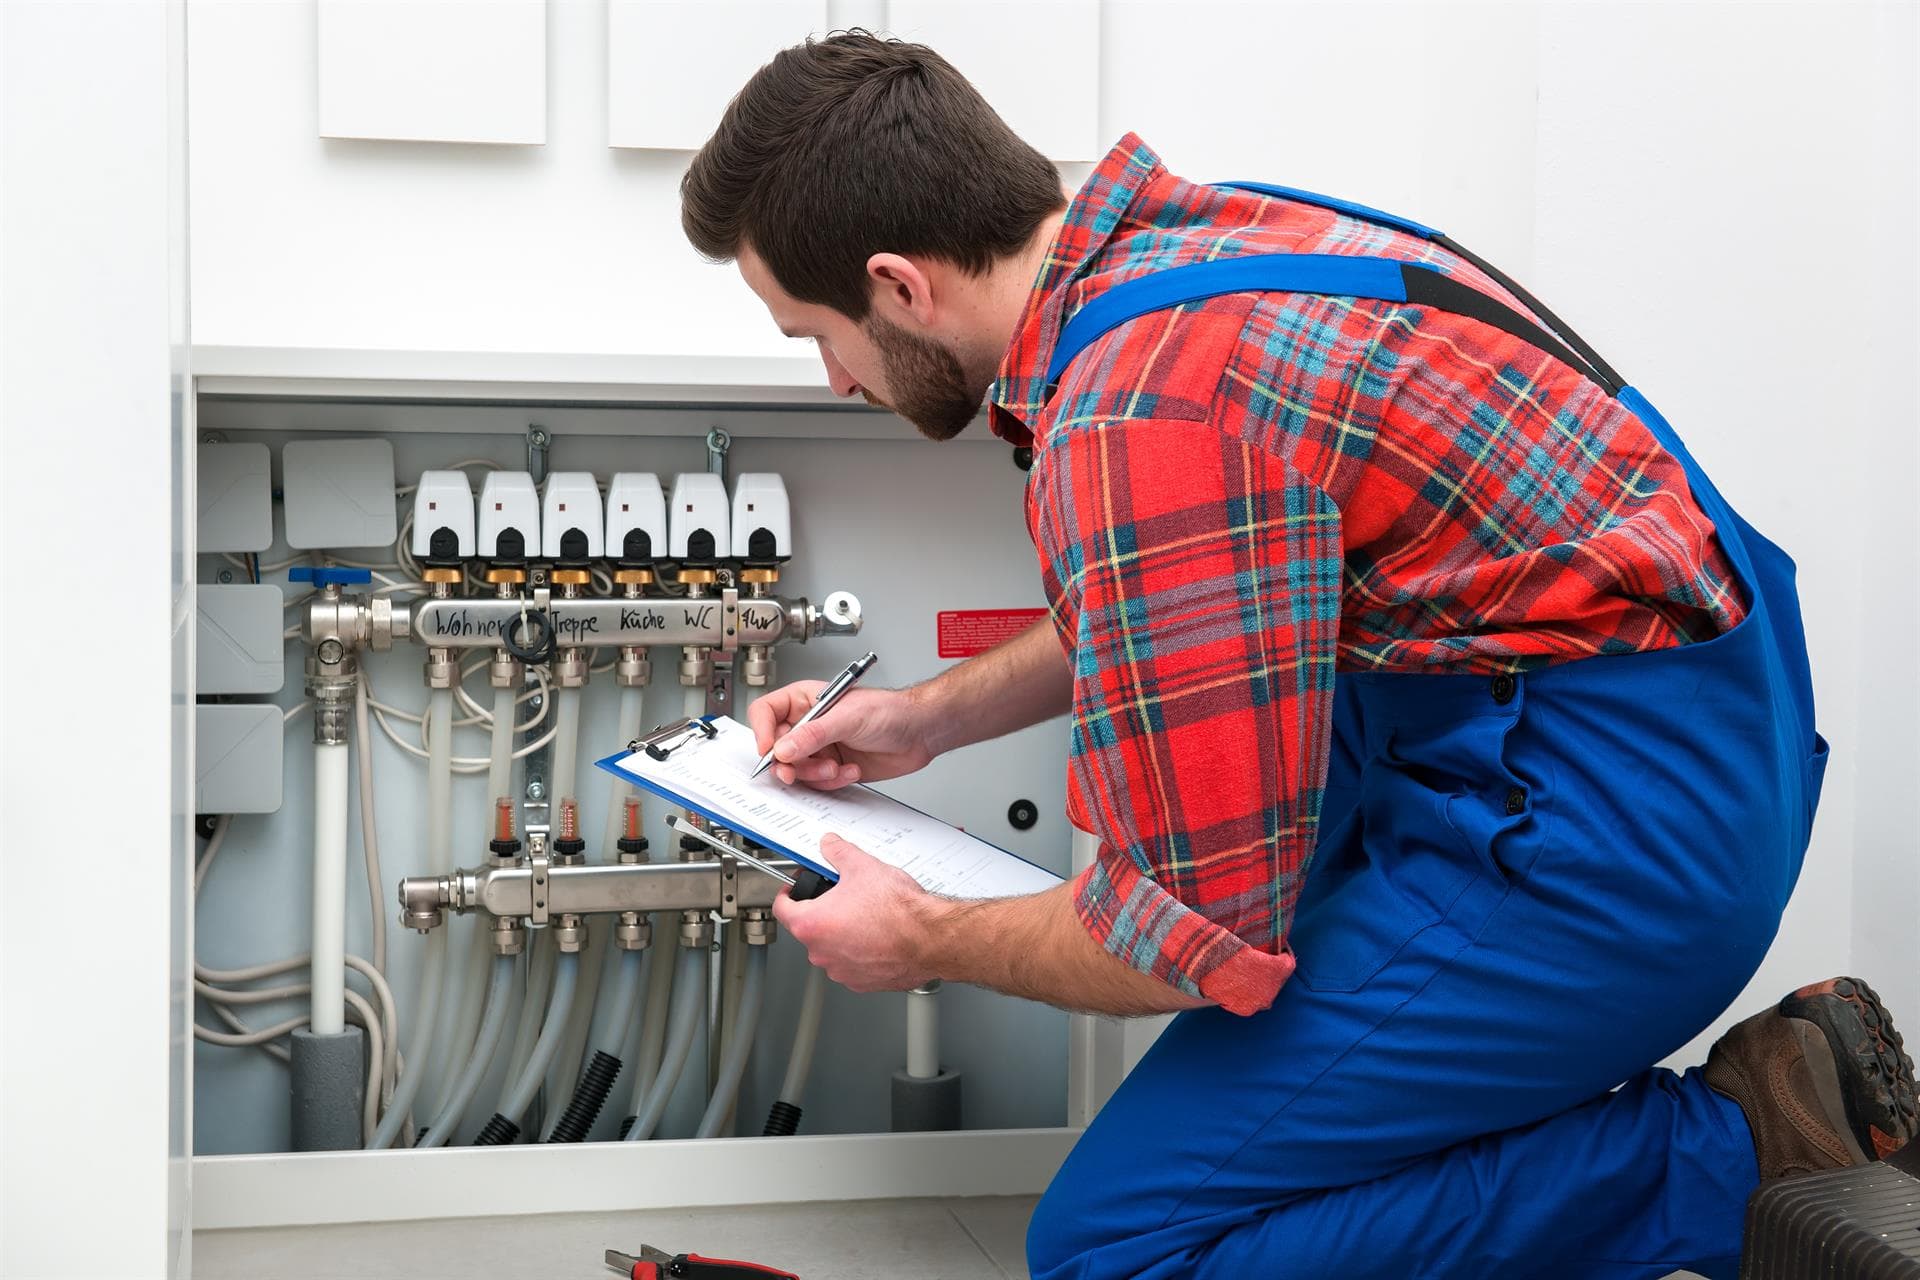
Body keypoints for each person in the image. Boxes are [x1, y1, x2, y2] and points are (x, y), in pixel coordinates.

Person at [678, 30, 1917, 1279]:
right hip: (1686, 739)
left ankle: (1735, 1148)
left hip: (1609, 843)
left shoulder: (1134, 415)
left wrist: (924, 938)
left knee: (1118, 1251)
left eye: (814, 334)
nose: (835, 379)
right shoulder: (1195, 252)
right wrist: (927, 718)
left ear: (900, 284)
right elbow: (1185, 593)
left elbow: (1179, 935)